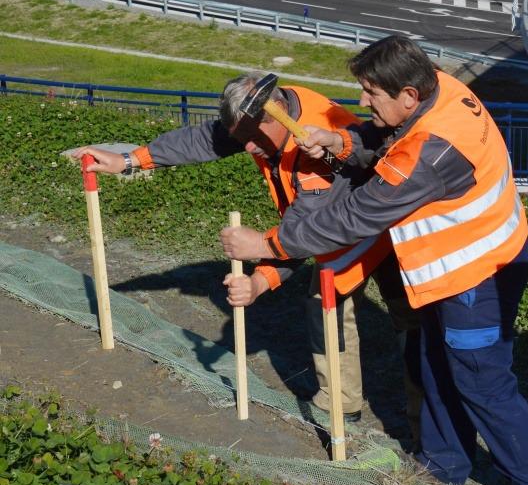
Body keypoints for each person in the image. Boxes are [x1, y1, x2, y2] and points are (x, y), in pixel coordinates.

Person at [220, 36, 528, 485]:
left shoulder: (431, 153)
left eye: (370, 93)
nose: (362, 101)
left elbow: (353, 216)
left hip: (478, 274)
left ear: (406, 93)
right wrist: (342, 142)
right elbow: (387, 140)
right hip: (459, 265)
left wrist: (268, 247)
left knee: (483, 381)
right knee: (431, 357)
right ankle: (444, 464)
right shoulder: (437, 90)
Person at [72, 73, 423, 441]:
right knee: (337, 303)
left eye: (255, 139)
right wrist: (130, 160)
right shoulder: (266, 112)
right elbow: (205, 139)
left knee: (383, 307)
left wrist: (261, 277)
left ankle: (416, 415)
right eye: (242, 140)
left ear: (279, 115)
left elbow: (306, 237)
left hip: (379, 217)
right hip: (332, 219)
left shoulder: (312, 151)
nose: (249, 149)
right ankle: (347, 401)